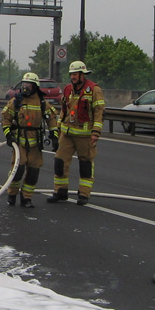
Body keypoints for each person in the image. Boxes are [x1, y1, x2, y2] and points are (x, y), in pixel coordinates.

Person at [47, 61, 105, 206]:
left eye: (75, 74)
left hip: (85, 135)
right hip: (67, 133)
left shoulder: (94, 90)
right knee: (60, 161)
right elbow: (64, 111)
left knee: (85, 164)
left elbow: (99, 112)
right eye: (71, 74)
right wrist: (59, 128)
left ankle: (84, 194)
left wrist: (96, 132)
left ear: (82, 74)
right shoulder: (67, 89)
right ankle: (60, 192)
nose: (72, 77)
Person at [1, 72, 58, 208]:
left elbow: (52, 118)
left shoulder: (42, 102)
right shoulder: (16, 101)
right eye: (24, 84)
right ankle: (12, 194)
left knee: (33, 172)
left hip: (36, 145)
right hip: (20, 142)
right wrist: (9, 135)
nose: (25, 87)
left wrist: (54, 135)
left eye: (29, 85)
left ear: (35, 86)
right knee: (18, 170)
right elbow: (5, 118)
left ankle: (26, 197)